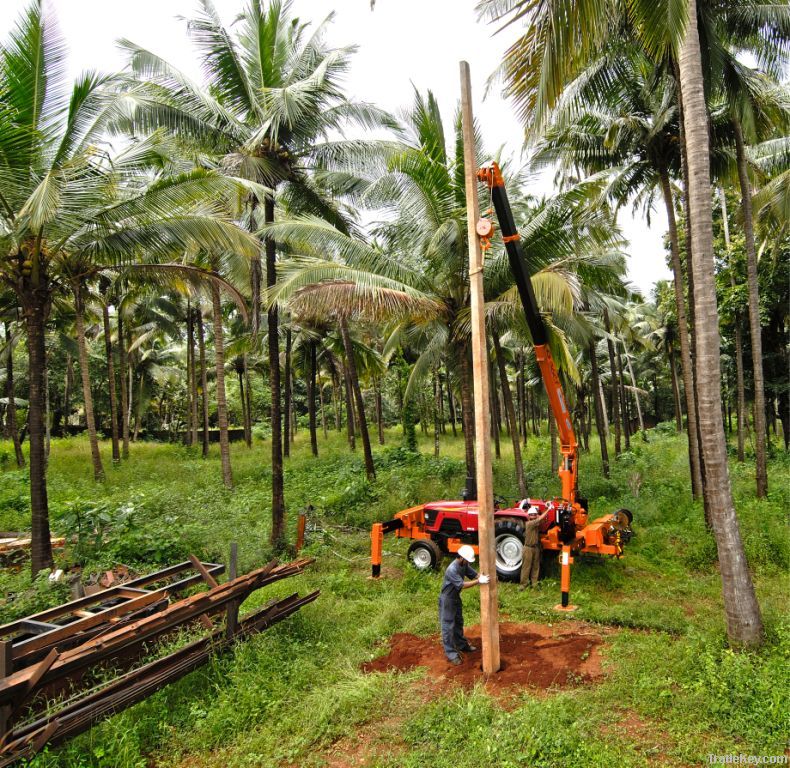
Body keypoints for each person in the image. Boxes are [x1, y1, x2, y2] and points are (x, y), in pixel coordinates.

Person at [438, 544, 490, 665]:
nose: (468, 562)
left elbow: (473, 574)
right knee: (448, 626)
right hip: (447, 600)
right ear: (461, 557)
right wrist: (478, 581)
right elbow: (462, 585)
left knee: (459, 622)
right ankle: (451, 654)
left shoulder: (464, 564)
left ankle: (462, 645)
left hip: (455, 597)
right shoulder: (452, 569)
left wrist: (480, 577)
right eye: (467, 560)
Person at [519, 506, 548, 590]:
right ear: (528, 516)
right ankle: (523, 585)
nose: (533, 516)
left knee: (536, 567)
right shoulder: (529, 524)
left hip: (536, 548)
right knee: (526, 567)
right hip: (528, 548)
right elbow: (540, 519)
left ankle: (534, 583)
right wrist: (549, 509)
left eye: (535, 515)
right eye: (531, 515)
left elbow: (541, 519)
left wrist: (545, 509)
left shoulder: (536, 523)